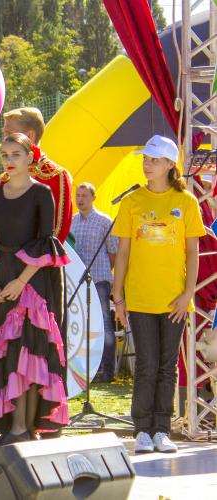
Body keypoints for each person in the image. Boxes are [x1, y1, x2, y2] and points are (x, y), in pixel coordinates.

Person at [0, 133, 69, 448]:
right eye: (4, 155)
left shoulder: (42, 193)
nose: (9, 160)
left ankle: (23, 428)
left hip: (30, 283)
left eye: (15, 154)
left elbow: (45, 242)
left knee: (28, 354)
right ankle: (11, 425)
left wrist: (21, 281)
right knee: (4, 353)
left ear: (30, 157)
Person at [112, 135, 205, 454]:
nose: (147, 164)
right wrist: (118, 296)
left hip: (174, 299)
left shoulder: (187, 202)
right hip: (140, 297)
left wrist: (188, 293)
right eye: (145, 158)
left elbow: (193, 252)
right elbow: (123, 252)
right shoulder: (131, 201)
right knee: (146, 364)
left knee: (167, 365)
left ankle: (162, 430)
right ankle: (142, 430)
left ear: (169, 164)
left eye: (153, 159)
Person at [2, 108, 73, 243]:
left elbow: (58, 230)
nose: (4, 139)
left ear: (29, 136)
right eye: (4, 133)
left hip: (41, 254)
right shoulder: (6, 176)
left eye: (9, 133)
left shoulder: (54, 175)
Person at [70, 182, 118, 383]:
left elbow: (114, 252)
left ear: (93, 198)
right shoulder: (72, 222)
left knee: (104, 324)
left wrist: (106, 272)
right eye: (78, 196)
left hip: (99, 279)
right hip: (78, 282)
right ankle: (87, 370)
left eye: (84, 196)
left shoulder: (104, 221)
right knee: (83, 325)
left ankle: (107, 370)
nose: (80, 199)